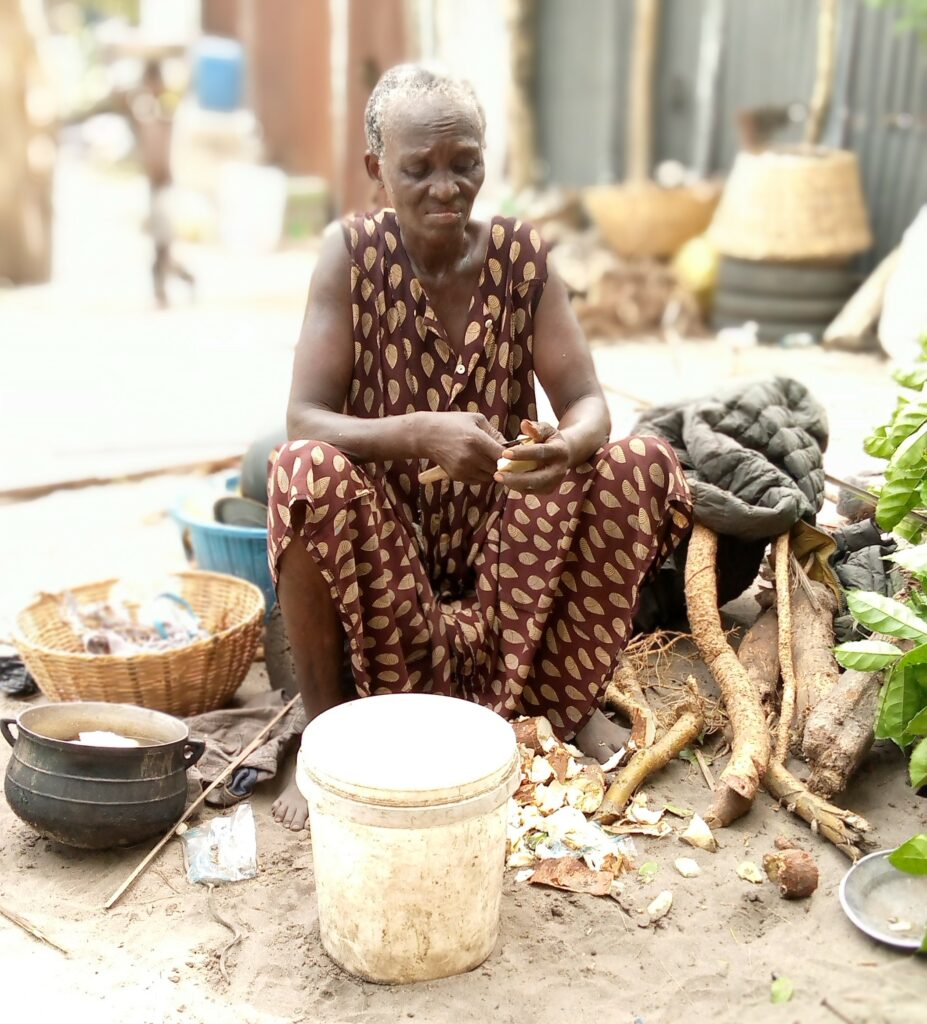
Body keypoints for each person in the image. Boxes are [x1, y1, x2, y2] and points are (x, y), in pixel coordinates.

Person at [268, 65, 692, 830]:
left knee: (641, 462)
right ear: (376, 172)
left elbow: (588, 403)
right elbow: (304, 419)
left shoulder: (520, 257)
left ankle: (562, 704)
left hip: (511, 570)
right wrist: (418, 431)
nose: (444, 187)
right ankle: (326, 733)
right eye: (417, 169)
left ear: (484, 157)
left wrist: (559, 453)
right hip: (391, 587)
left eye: (463, 162)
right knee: (304, 473)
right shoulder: (349, 253)